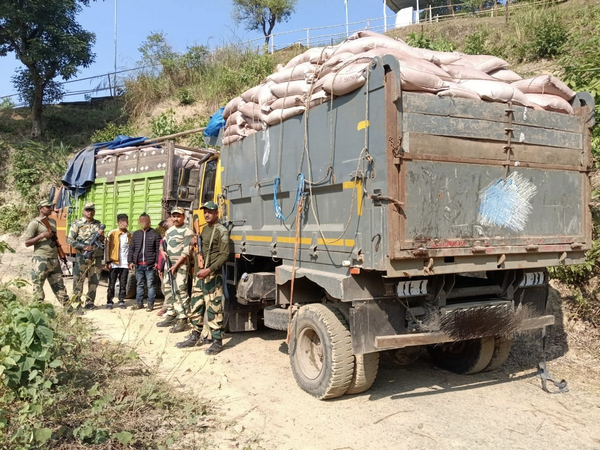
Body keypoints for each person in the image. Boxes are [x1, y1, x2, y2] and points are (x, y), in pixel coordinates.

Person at [177, 201, 229, 355]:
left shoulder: (221, 231)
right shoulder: (203, 229)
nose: (206, 214)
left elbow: (224, 255)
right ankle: (195, 335)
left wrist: (209, 269)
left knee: (214, 308)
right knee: (196, 306)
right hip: (198, 276)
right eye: (205, 211)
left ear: (216, 213)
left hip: (212, 275)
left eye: (210, 212)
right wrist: (192, 242)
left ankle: (217, 341)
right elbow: (195, 248)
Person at [23, 199, 70, 307]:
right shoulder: (34, 223)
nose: (50, 209)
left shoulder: (53, 222)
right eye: (47, 207)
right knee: (38, 284)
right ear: (40, 209)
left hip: (53, 258)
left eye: (51, 207)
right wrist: (41, 236)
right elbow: (27, 242)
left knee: (59, 284)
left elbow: (55, 240)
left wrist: (60, 253)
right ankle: (38, 307)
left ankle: (68, 307)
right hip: (40, 258)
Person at [156, 207, 193, 333]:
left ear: (183, 217)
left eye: (178, 216)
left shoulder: (187, 231)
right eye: (174, 216)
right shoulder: (170, 231)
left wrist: (176, 265)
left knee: (180, 291)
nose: (176, 218)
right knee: (168, 289)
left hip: (180, 266)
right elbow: (162, 244)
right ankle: (171, 314)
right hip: (169, 265)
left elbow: (187, 251)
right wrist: (162, 252)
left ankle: (183, 318)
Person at [67, 202, 105, 310]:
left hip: (96, 256)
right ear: (83, 211)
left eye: (91, 210)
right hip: (82, 256)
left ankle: (90, 302)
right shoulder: (77, 223)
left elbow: (101, 241)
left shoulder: (98, 224)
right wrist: (83, 246)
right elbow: (70, 239)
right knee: (79, 279)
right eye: (87, 210)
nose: (90, 212)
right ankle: (76, 303)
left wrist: (102, 236)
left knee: (94, 280)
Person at [128, 213, 160, 311]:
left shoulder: (155, 233)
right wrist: (130, 261)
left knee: (150, 285)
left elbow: (158, 249)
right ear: (139, 222)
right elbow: (131, 249)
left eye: (145, 221)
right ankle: (139, 303)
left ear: (149, 222)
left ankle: (150, 304)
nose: (143, 223)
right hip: (138, 265)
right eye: (141, 221)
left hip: (149, 265)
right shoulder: (136, 234)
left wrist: (157, 262)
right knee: (139, 284)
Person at [104, 213, 131, 309]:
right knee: (111, 284)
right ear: (118, 223)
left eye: (125, 221)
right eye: (121, 222)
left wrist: (130, 262)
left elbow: (131, 249)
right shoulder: (112, 233)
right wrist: (107, 262)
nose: (123, 224)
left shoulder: (129, 235)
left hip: (125, 264)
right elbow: (107, 248)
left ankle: (121, 300)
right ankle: (109, 301)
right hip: (114, 263)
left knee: (123, 283)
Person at [156, 218, 173, 317]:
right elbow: (160, 255)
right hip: (161, 267)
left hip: (166, 267)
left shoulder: (168, 239)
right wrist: (159, 267)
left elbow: (165, 257)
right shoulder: (163, 239)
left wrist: (161, 268)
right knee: (164, 288)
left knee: (166, 288)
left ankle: (166, 308)